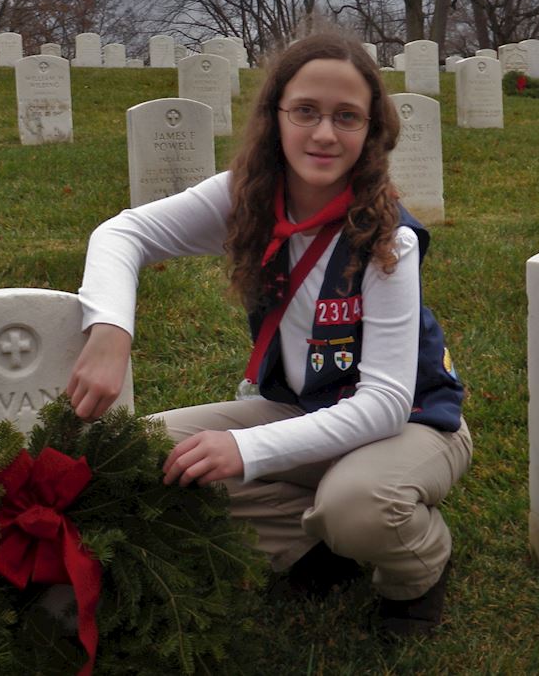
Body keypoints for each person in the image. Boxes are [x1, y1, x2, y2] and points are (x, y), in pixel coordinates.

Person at [68, 32, 471, 637]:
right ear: (275, 115)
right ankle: (320, 545)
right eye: (306, 111)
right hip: (301, 405)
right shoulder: (248, 199)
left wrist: (246, 451)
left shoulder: (392, 239)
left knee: (355, 506)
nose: (324, 134)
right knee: (146, 456)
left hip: (414, 421)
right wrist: (110, 330)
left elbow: (385, 404)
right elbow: (123, 234)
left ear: (370, 132)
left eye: (347, 117)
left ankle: (417, 564)